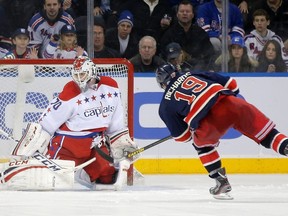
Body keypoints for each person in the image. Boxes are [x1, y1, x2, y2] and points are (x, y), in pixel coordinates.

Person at [155, 63, 288, 199]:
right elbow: (232, 84)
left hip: (209, 121)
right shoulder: (194, 73)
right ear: (176, 72)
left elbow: (183, 137)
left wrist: (192, 128)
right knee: (267, 135)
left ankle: (221, 181)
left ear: (162, 84)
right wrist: (231, 101)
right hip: (232, 103)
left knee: (201, 146)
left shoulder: (165, 106)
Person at [11, 56, 139, 188]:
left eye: (82, 74)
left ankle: (83, 173)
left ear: (92, 72)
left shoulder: (110, 87)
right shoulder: (70, 92)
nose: (79, 79)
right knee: (50, 181)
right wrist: (29, 149)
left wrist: (123, 144)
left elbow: (115, 125)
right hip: (68, 146)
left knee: (107, 177)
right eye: (76, 75)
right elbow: (47, 123)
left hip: (95, 145)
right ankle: (73, 169)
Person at [160, 0, 215, 72]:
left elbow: (209, 54)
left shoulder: (201, 33)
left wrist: (209, 68)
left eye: (187, 11)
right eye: (182, 11)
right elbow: (163, 56)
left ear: (193, 15)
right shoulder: (169, 34)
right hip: (175, 74)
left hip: (198, 72)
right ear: (177, 15)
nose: (185, 13)